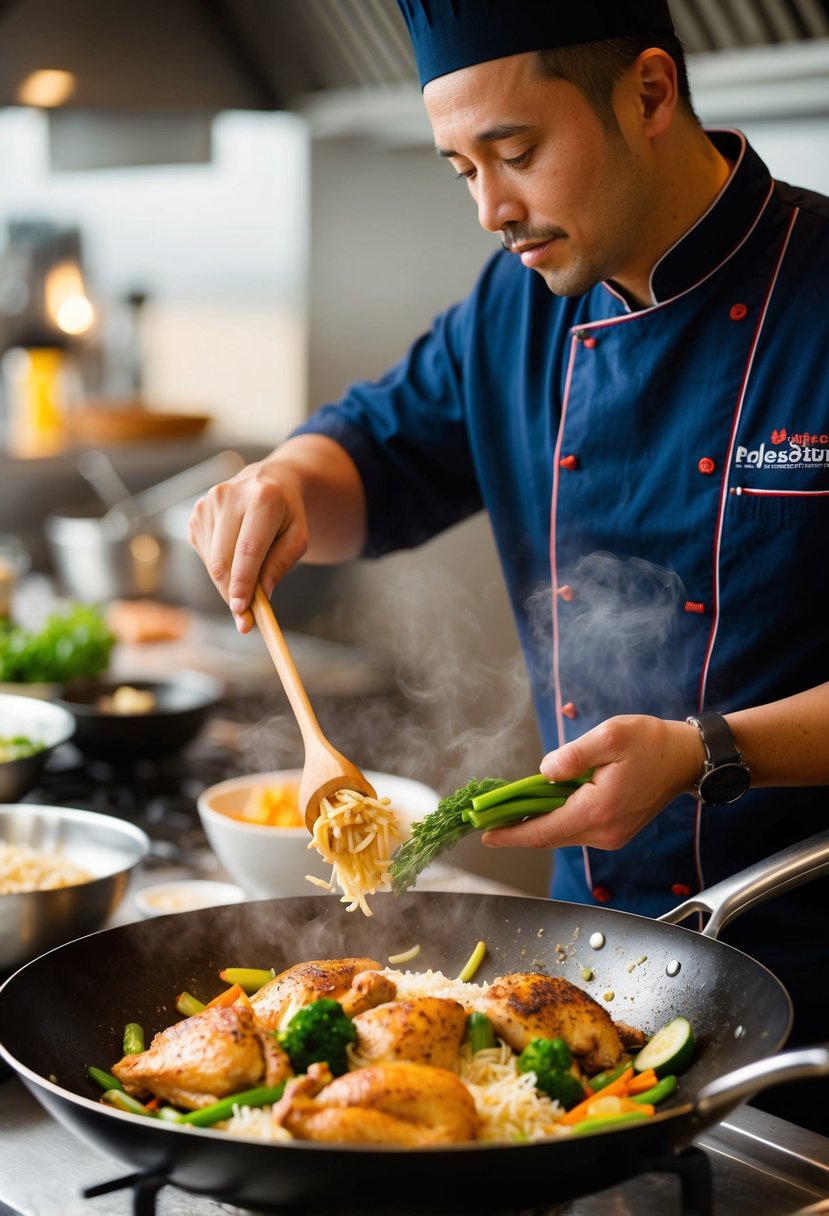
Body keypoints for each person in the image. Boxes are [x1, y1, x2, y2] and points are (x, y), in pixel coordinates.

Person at [189, 0, 829, 1133]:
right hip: (588, 987)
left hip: (814, 968)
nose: (490, 209)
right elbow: (367, 458)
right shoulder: (520, 307)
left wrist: (703, 753)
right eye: (457, 170)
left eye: (516, 153)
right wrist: (281, 484)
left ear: (647, 93)